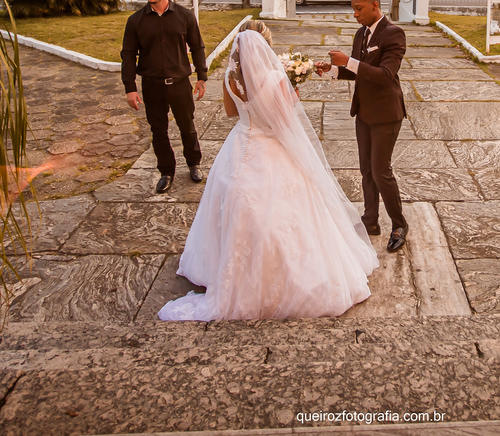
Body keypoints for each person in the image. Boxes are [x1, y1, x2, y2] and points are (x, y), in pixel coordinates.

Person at [157, 27, 378, 321]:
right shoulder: (275, 78)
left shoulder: (229, 79)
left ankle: (224, 267)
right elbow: (284, 122)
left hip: (241, 144)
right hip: (271, 147)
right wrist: (291, 95)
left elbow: (232, 113)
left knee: (236, 204)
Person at [314, 0, 409, 252]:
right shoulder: (360, 34)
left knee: (381, 171)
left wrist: (348, 61)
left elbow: (384, 75)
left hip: (387, 113)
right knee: (366, 170)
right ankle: (370, 220)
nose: (355, 14)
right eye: (353, 9)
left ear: (375, 6)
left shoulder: (394, 34)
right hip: (364, 111)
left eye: (359, 9)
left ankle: (399, 224)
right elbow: (358, 73)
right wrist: (333, 70)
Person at [121, 0, 207, 194]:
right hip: (152, 85)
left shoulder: (185, 16)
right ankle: (166, 171)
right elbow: (128, 55)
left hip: (179, 83)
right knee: (158, 131)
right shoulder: (135, 21)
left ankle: (194, 164)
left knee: (187, 127)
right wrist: (130, 88)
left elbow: (197, 47)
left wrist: (202, 76)